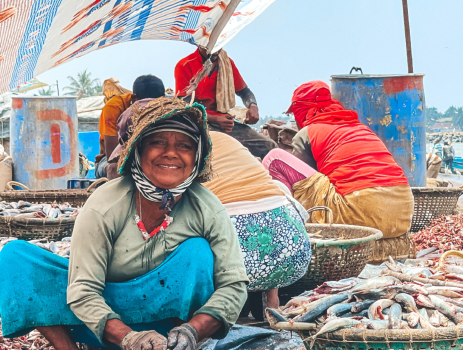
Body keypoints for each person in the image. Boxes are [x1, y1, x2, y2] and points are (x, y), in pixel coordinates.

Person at [0, 98, 249, 350]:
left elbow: (234, 285)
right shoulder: (105, 203)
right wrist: (128, 337)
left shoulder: (207, 208)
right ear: (138, 151)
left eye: (184, 146)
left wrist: (192, 331)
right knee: (14, 259)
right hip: (97, 321)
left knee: (197, 252)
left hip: (168, 326)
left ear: (197, 156)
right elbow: (83, 290)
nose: (171, 154)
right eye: (158, 143)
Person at [279, 81, 414, 239]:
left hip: (362, 212)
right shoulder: (360, 128)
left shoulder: (307, 133)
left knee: (275, 158)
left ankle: (286, 232)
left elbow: (303, 184)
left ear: (302, 111)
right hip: (403, 213)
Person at [203, 131, 311, 311]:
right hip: (293, 259)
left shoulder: (187, 150)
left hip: (236, 272)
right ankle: (272, 302)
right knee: (272, 199)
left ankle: (218, 312)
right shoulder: (230, 141)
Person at [174, 46, 274, 158]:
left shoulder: (227, 63)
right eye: (212, 45)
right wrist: (215, 119)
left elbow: (245, 93)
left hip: (227, 123)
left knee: (268, 146)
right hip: (198, 124)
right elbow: (184, 107)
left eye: (219, 44)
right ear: (201, 43)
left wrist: (253, 106)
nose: (216, 50)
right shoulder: (185, 65)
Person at [105, 76, 166, 179]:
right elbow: (112, 155)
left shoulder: (131, 111)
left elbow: (124, 136)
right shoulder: (118, 109)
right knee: (113, 168)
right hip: (154, 155)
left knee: (114, 169)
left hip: (142, 155)